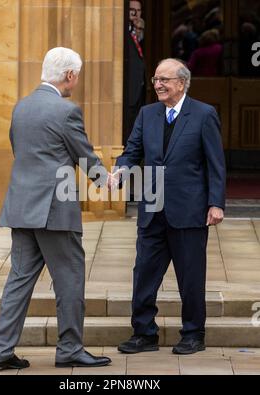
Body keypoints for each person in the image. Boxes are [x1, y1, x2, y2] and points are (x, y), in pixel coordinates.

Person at [0, 47, 111, 370]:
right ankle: (70, 348)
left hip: (21, 206)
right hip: (54, 210)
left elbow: (22, 152)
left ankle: (0, 351)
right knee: (69, 279)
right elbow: (83, 154)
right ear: (70, 75)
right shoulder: (66, 111)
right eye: (77, 75)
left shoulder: (21, 107)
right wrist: (107, 180)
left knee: (18, 279)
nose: (78, 80)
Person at [114, 58, 226, 355]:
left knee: (190, 276)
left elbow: (215, 163)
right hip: (152, 209)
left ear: (182, 83)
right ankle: (144, 333)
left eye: (164, 80)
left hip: (188, 210)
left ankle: (193, 334)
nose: (159, 85)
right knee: (144, 274)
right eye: (155, 80)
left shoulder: (203, 114)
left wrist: (216, 203)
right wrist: (121, 169)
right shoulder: (147, 114)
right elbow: (132, 151)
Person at [125, 0, 146, 146]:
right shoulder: (123, 31)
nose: (135, 14)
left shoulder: (137, 31)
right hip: (128, 93)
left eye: (138, 11)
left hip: (138, 92)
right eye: (132, 10)